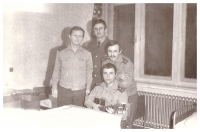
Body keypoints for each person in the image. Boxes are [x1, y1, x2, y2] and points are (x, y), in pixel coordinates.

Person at [50, 26, 93, 107]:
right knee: (63, 116)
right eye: (75, 35)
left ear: (83, 38)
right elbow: (56, 71)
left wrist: (88, 87)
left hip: (80, 91)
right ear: (70, 36)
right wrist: (54, 88)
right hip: (64, 90)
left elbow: (89, 71)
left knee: (78, 117)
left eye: (80, 36)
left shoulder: (87, 53)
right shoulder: (61, 52)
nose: (77, 38)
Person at [102, 40, 138, 129]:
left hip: (127, 96)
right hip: (112, 96)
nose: (112, 54)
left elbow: (125, 84)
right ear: (106, 51)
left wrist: (112, 77)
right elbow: (104, 79)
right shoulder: (105, 63)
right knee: (113, 122)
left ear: (120, 51)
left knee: (124, 123)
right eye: (110, 51)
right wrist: (118, 76)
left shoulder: (127, 63)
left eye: (115, 51)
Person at [84, 63, 128, 128]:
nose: (108, 76)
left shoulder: (121, 92)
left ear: (115, 75)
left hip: (113, 122)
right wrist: (94, 105)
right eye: (105, 73)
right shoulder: (98, 87)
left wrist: (112, 113)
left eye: (111, 73)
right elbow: (87, 101)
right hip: (97, 119)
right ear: (102, 75)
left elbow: (122, 114)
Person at [85, 19, 110, 88]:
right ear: (93, 31)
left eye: (100, 28)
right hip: (91, 84)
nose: (98, 31)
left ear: (105, 30)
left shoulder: (111, 45)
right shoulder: (89, 45)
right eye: (96, 29)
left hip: (105, 84)